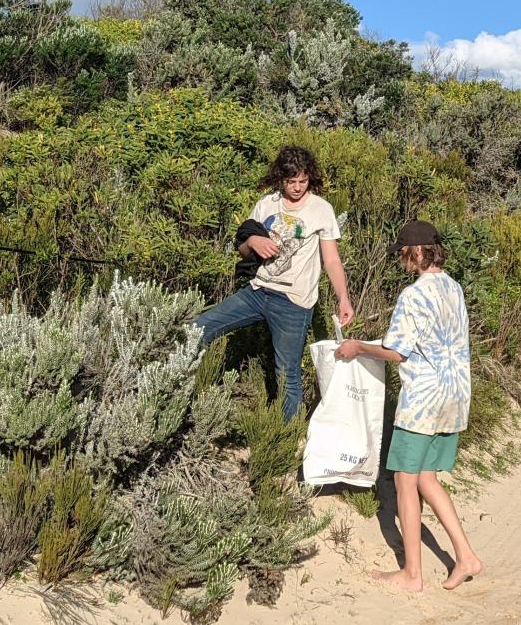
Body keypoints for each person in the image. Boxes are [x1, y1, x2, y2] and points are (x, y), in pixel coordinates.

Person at [334, 220, 481, 592]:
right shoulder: (454, 287)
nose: (402, 260)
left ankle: (412, 574)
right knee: (427, 479)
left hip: (423, 401)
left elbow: (396, 352)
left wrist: (358, 347)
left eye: (403, 253)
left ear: (416, 252)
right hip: (455, 394)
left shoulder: (413, 296)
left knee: (404, 480)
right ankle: (465, 556)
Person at [195, 145, 354, 421]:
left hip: (294, 302)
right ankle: (178, 389)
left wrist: (343, 297)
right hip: (258, 290)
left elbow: (331, 260)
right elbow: (244, 250)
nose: (297, 187)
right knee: (198, 328)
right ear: (281, 178)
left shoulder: (321, 210)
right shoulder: (266, 204)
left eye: (303, 181)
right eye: (291, 181)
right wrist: (253, 241)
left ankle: (286, 435)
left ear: (310, 179)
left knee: (287, 372)